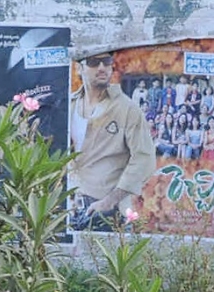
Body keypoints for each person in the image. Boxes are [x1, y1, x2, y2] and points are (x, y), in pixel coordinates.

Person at [68, 50, 158, 223]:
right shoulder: (69, 105)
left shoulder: (127, 109)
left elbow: (144, 158)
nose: (102, 68)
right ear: (79, 68)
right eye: (94, 62)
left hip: (109, 210)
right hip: (70, 208)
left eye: (107, 61)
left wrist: (110, 201)